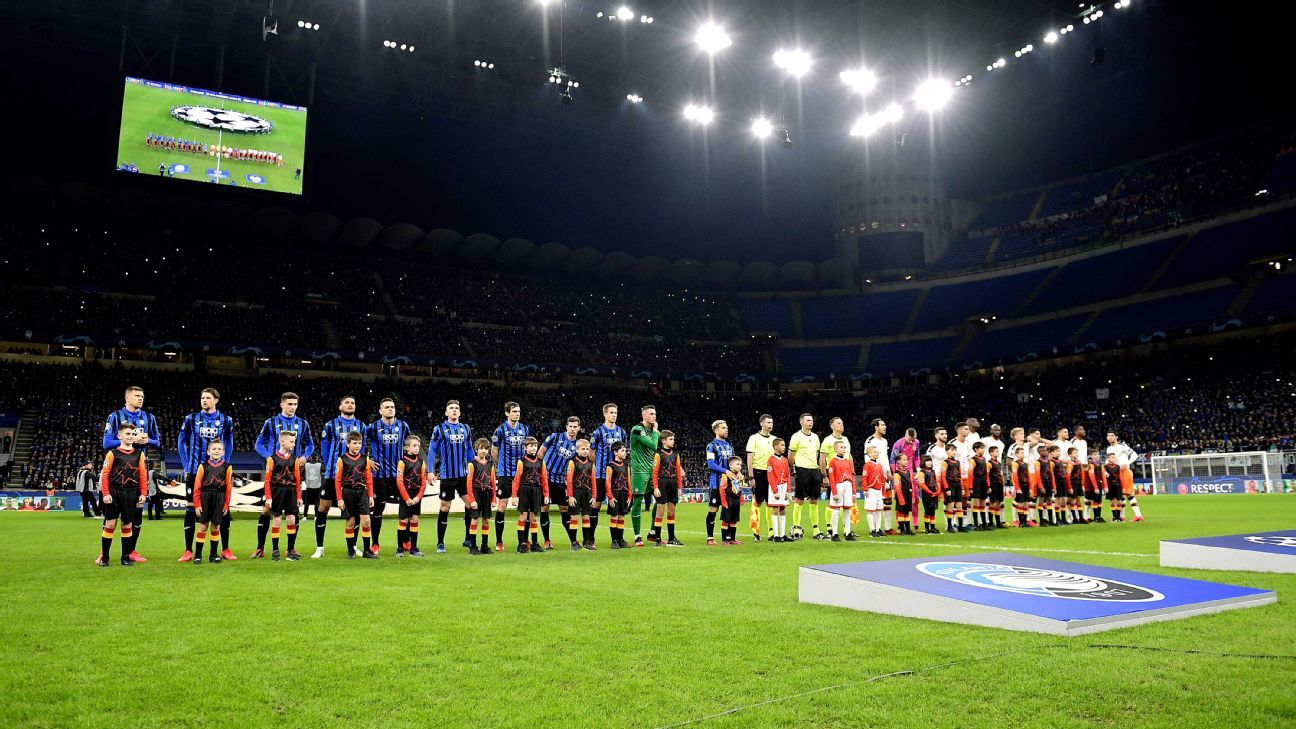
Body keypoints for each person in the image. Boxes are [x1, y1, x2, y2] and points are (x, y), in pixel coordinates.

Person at [176, 388, 235, 563]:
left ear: (216, 400)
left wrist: (227, 463)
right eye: (202, 398)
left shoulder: (226, 420)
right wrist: (186, 465)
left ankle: (225, 549)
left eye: (208, 398)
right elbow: (181, 441)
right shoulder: (191, 419)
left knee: (223, 510)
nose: (204, 400)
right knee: (190, 509)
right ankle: (188, 550)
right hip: (195, 471)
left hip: (218, 471)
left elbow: (229, 442)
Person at [253, 392, 314, 558]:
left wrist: (304, 457)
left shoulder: (303, 424)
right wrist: (268, 456)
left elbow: (310, 444)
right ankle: (260, 548)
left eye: (295, 404)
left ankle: (290, 549)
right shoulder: (271, 423)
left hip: (294, 470)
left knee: (293, 513)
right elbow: (258, 444)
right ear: (282, 405)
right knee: (267, 510)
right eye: (289, 404)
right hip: (275, 471)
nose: (293, 407)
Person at [102, 385, 159, 563]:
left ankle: (131, 551)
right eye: (136, 396)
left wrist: (147, 439)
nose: (140, 399)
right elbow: (106, 443)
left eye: (142, 396)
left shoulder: (150, 418)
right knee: (110, 516)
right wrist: (131, 439)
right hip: (117, 472)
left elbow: (157, 442)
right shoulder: (115, 417)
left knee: (136, 513)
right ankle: (104, 553)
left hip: (138, 470)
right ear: (127, 398)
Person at [315, 395, 366, 559]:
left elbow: (362, 449)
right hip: (332, 474)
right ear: (340, 406)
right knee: (323, 508)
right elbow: (325, 448)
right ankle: (320, 547)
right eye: (347, 402)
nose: (350, 405)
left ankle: (353, 547)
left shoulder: (361, 426)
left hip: (354, 477)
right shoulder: (330, 426)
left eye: (353, 402)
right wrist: (332, 465)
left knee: (355, 513)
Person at [95, 423, 148, 567]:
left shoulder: (140, 454)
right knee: (110, 524)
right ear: (119, 436)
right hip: (114, 492)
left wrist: (144, 493)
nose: (130, 437)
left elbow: (143, 475)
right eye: (127, 434)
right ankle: (105, 557)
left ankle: (125, 557)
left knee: (127, 525)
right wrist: (105, 493)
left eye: (132, 434)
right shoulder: (112, 454)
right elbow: (105, 475)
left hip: (132, 493)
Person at [366, 397, 411, 555]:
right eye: (386, 407)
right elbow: (356, 442)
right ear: (380, 411)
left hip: (399, 476)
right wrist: (367, 460)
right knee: (378, 510)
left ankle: (406, 541)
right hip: (380, 476)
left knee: (405, 508)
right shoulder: (372, 427)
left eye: (392, 407)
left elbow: (411, 444)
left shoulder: (403, 426)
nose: (390, 409)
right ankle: (375, 543)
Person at [429, 399, 474, 553]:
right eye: (451, 408)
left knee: (470, 504)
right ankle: (440, 543)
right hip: (447, 476)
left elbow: (469, 450)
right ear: (446, 412)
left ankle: (468, 538)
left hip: (464, 475)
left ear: (459, 412)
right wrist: (430, 471)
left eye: (457, 408)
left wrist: (477, 464)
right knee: (445, 507)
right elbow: (432, 451)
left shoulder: (466, 429)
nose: (454, 410)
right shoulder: (439, 429)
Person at [491, 402, 530, 551]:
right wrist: (501, 466)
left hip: (521, 474)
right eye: (514, 411)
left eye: (518, 411)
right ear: (507, 413)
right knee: (502, 506)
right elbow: (494, 451)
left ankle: (524, 540)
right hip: (505, 474)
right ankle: (499, 541)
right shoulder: (500, 430)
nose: (517, 413)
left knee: (525, 507)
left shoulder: (525, 429)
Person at [538, 416, 582, 550]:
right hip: (545, 479)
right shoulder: (555, 437)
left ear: (579, 428)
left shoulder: (577, 446)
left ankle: (573, 541)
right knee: (544, 508)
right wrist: (541, 471)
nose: (573, 429)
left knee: (564, 509)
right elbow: (540, 453)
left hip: (560, 481)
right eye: (571, 426)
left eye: (575, 427)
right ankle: (547, 541)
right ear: (566, 427)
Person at [334, 432, 378, 559]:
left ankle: (366, 550)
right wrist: (339, 499)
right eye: (354, 443)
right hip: (347, 492)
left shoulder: (365, 459)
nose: (357, 446)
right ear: (348, 444)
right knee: (350, 522)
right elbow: (337, 480)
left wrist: (370, 495)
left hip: (362, 492)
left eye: (359, 443)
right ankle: (350, 550)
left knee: (366, 521)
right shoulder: (342, 459)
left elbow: (369, 479)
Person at [262, 430, 304, 561]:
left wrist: (299, 496)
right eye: (291, 441)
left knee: (292, 518)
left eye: (294, 441)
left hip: (291, 491)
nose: (293, 444)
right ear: (282, 441)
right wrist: (268, 497)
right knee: (277, 519)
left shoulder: (295, 459)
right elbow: (267, 480)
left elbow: (298, 479)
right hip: (277, 491)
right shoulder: (272, 459)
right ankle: (275, 550)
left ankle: (290, 549)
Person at [587, 403, 625, 543]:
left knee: (617, 507)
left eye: (615, 412)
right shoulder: (598, 432)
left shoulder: (621, 431)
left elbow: (623, 450)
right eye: (611, 413)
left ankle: (617, 539)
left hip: (617, 477)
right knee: (596, 505)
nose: (614, 415)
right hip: (601, 475)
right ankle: (590, 537)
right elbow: (591, 452)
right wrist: (600, 465)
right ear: (605, 414)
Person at [191, 441, 233, 565]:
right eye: (214, 448)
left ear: (223, 452)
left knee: (216, 526)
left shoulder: (227, 467)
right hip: (205, 497)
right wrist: (197, 504)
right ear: (208, 451)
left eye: (219, 449)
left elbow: (229, 488)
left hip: (220, 497)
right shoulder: (203, 466)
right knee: (203, 526)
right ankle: (198, 555)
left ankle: (213, 555)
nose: (216, 451)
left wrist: (226, 505)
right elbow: (197, 486)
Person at [629, 405, 661, 547]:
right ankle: (637, 536)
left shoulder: (651, 431)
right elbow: (653, 445)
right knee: (637, 502)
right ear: (644, 416)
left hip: (651, 471)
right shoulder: (637, 429)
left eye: (655, 414)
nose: (654, 416)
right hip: (639, 471)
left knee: (660, 499)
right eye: (651, 414)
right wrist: (655, 432)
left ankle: (653, 533)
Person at [510, 436, 549, 553]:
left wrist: (546, 494)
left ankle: (535, 543)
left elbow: (544, 480)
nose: (533, 448)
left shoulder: (541, 462)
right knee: (523, 516)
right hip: (524, 490)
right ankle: (521, 543)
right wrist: (514, 496)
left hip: (536, 490)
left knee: (534, 518)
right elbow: (516, 479)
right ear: (525, 448)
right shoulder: (521, 462)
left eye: (535, 446)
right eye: (530, 446)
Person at [648, 430, 685, 547]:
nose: (673, 441)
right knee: (660, 511)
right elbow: (654, 473)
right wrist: (656, 488)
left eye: (673, 439)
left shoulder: (676, 455)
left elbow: (678, 472)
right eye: (670, 439)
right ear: (663, 441)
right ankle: (658, 538)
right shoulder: (658, 454)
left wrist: (679, 487)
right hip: (662, 483)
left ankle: (671, 538)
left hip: (673, 483)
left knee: (671, 511)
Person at [787, 413, 820, 541]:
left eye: (812, 420)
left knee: (814, 500)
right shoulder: (796, 436)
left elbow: (816, 453)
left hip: (814, 470)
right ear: (802, 422)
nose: (811, 422)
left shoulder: (816, 437)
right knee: (799, 500)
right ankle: (796, 527)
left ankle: (816, 529)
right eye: (808, 420)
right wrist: (797, 466)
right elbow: (791, 455)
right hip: (802, 470)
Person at [817, 417, 851, 541]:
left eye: (842, 423)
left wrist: (851, 473)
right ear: (832, 426)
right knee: (833, 504)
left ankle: (847, 531)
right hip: (834, 477)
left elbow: (849, 457)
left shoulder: (846, 440)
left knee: (846, 506)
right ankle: (830, 528)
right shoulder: (827, 440)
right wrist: (824, 476)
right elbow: (822, 459)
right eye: (838, 423)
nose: (841, 425)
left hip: (846, 477)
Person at [395, 435, 427, 557]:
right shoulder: (402, 462)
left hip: (416, 495)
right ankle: (399, 548)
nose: (417, 448)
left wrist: (418, 497)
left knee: (414, 520)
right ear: (407, 447)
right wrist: (406, 498)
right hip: (406, 495)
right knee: (403, 520)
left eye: (418, 446)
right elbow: (399, 481)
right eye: (414, 445)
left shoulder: (421, 463)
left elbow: (423, 482)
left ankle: (414, 548)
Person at [704, 420, 735, 547]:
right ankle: (710, 537)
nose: (726, 430)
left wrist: (737, 472)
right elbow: (711, 464)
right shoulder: (711, 446)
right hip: (716, 483)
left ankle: (728, 538)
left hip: (729, 483)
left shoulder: (730, 446)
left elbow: (733, 463)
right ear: (716, 430)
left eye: (727, 428)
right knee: (714, 509)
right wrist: (726, 471)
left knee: (729, 509)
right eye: (723, 428)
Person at [744, 414, 775, 542]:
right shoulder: (754, 438)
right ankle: (756, 531)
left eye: (772, 422)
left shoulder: (775, 439)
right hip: (758, 472)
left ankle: (771, 531)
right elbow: (750, 458)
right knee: (757, 502)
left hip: (771, 473)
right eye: (768, 422)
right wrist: (751, 477)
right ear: (762, 424)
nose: (771, 424)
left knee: (771, 503)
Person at [567, 438, 599, 551]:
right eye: (583, 449)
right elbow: (569, 481)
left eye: (587, 449)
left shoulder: (591, 464)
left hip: (587, 493)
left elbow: (593, 481)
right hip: (576, 492)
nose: (585, 451)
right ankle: (573, 542)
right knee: (574, 517)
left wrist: (594, 496)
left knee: (586, 517)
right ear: (577, 450)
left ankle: (587, 542)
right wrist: (570, 496)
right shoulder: (572, 462)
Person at [464, 438, 495, 555]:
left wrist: (494, 498)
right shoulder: (472, 464)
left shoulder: (490, 465)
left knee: (486, 520)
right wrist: (471, 500)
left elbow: (492, 482)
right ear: (477, 449)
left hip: (487, 494)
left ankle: (485, 546)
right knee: (475, 519)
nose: (484, 451)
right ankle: (473, 546)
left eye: (486, 449)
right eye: (481, 448)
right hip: (476, 494)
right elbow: (469, 483)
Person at [1105, 431, 1144, 522]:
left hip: (1125, 472)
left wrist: (1127, 463)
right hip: (1115, 472)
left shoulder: (1122, 446)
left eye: (1112, 435)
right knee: (1119, 495)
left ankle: (1138, 515)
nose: (1110, 437)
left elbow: (1135, 455)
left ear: (1116, 437)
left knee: (1129, 494)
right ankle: (1121, 516)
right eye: (1108, 436)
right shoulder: (1108, 449)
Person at [827, 439, 857, 541]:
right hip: (838, 486)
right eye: (841, 447)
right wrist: (834, 492)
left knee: (847, 510)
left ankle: (848, 532)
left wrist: (853, 492)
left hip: (848, 486)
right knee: (836, 510)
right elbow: (831, 478)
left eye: (844, 447)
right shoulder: (832, 462)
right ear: (835, 449)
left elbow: (852, 477)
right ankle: (834, 533)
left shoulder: (847, 462)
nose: (843, 449)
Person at [765, 437, 791, 542]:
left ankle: (782, 534)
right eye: (782, 445)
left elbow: (788, 475)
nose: (784, 447)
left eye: (784, 445)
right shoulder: (771, 460)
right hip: (775, 487)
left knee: (783, 508)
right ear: (776, 447)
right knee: (775, 508)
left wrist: (788, 490)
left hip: (784, 486)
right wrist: (775, 491)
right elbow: (770, 476)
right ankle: (776, 535)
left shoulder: (785, 460)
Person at [717, 455, 746, 546]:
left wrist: (741, 498)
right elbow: (722, 490)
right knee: (726, 520)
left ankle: (732, 539)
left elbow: (739, 488)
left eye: (740, 465)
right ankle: (724, 540)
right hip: (728, 500)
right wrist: (724, 502)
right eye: (737, 464)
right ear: (731, 466)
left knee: (734, 520)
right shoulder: (725, 475)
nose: (739, 466)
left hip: (736, 500)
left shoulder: (739, 476)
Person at [892, 452, 915, 535]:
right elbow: (897, 487)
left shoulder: (908, 472)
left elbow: (912, 484)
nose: (906, 461)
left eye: (907, 459)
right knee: (901, 512)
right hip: (901, 495)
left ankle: (908, 529)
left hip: (908, 495)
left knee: (907, 512)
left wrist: (912, 496)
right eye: (904, 459)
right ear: (898, 461)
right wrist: (901, 499)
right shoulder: (897, 473)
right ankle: (902, 530)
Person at [918, 454, 941, 534]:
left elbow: (937, 482)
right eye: (927, 461)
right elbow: (922, 484)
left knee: (933, 510)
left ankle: (933, 527)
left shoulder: (933, 472)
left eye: (930, 461)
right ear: (923, 462)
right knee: (927, 510)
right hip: (927, 493)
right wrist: (930, 492)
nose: (929, 463)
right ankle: (927, 528)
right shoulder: (922, 472)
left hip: (934, 492)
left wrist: (938, 491)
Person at [970, 441, 989, 530]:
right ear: (976, 449)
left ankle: (984, 523)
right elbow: (970, 473)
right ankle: (976, 524)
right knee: (976, 502)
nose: (983, 450)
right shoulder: (973, 460)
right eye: (981, 448)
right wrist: (971, 487)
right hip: (976, 481)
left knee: (983, 502)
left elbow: (986, 473)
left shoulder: (984, 459)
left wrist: (988, 485)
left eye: (983, 448)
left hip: (983, 481)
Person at [986, 445, 1006, 529]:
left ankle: (998, 522)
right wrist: (988, 486)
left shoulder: (998, 462)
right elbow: (986, 475)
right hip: (993, 485)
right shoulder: (989, 463)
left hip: (999, 484)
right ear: (991, 453)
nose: (998, 452)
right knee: (992, 503)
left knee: (998, 502)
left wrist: (1003, 482)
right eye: (996, 451)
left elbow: (1000, 474)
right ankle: (990, 522)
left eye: (998, 451)